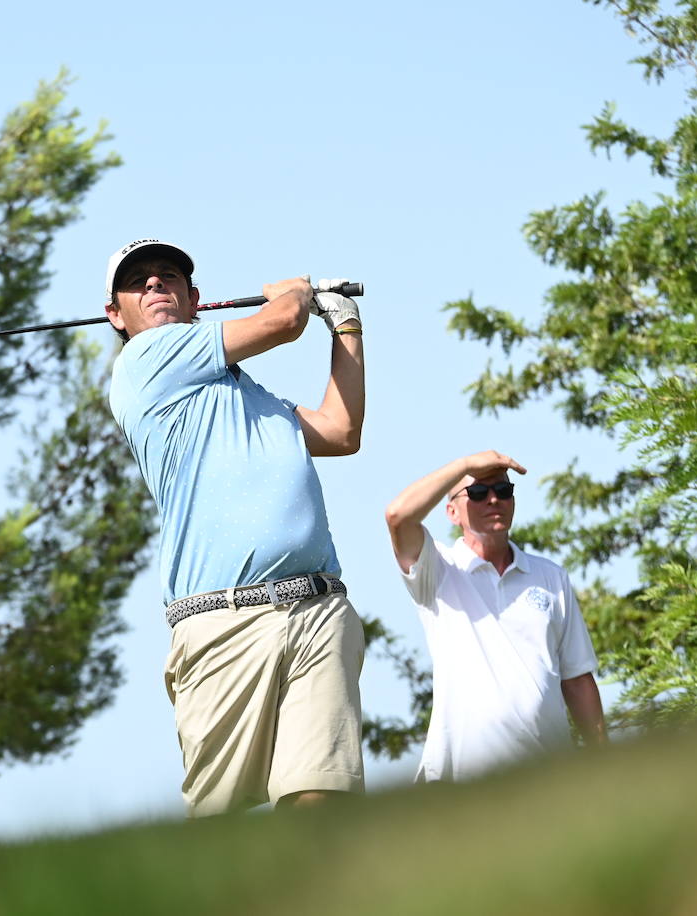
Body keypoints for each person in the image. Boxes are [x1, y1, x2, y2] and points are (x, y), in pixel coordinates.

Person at [102, 238, 367, 816]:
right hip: (221, 621)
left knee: (322, 801)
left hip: (319, 609)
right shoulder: (145, 361)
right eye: (137, 281)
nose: (154, 284)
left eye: (168, 276)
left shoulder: (252, 396)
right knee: (222, 825)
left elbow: (341, 432)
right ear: (115, 317)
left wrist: (346, 330)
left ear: (194, 299)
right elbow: (285, 320)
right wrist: (296, 294)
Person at [384, 451, 607, 782]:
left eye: (503, 491)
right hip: (463, 779)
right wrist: (463, 466)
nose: (492, 500)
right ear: (452, 511)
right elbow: (398, 516)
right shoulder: (439, 570)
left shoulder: (550, 577)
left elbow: (576, 680)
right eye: (477, 492)